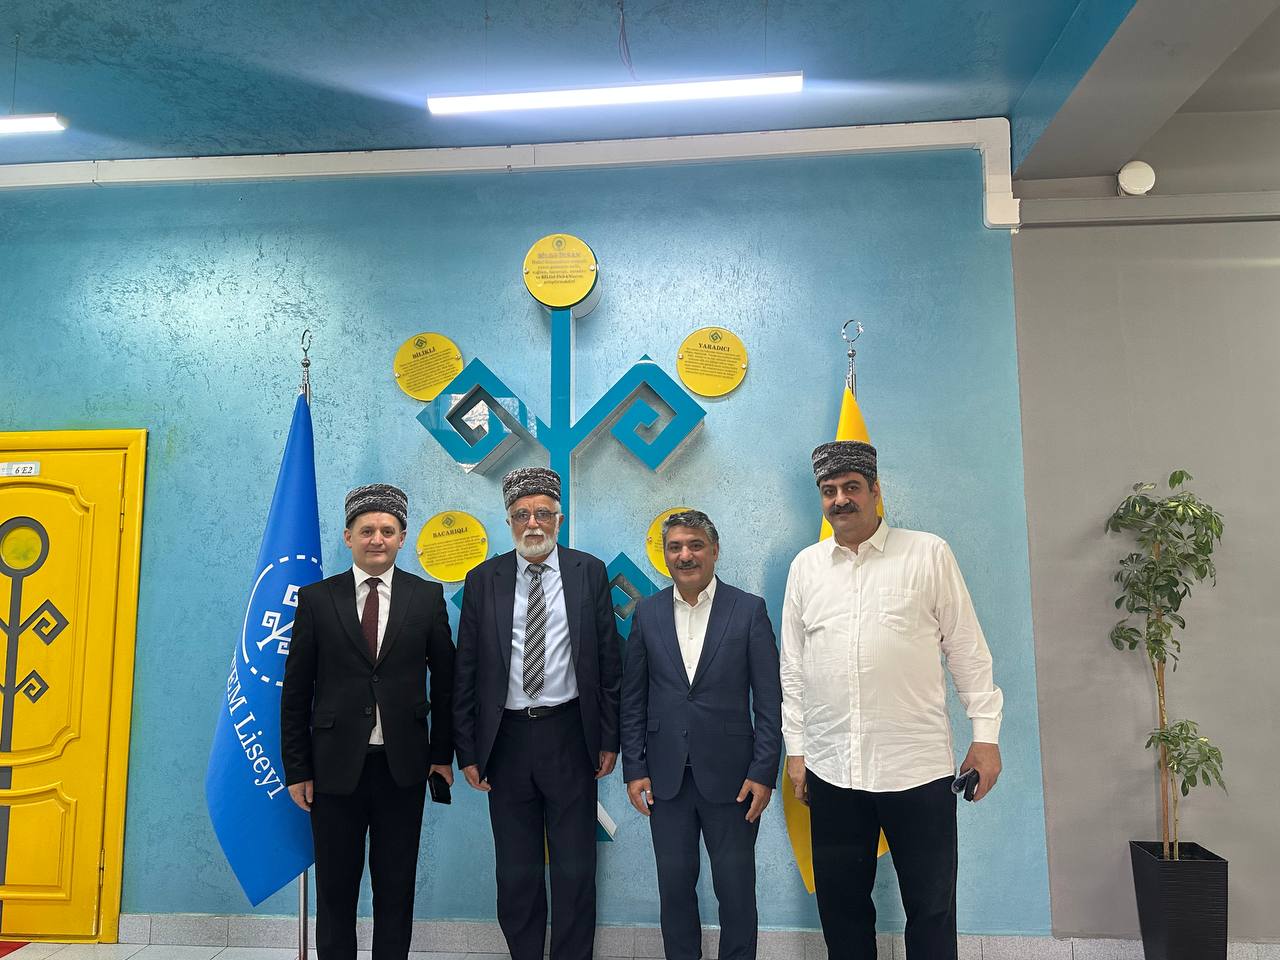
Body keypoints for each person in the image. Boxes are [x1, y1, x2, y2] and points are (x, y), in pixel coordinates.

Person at [780, 441, 1004, 960]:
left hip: (917, 770)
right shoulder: (806, 567)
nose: (840, 499)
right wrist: (797, 751)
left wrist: (985, 738)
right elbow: (793, 669)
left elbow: (967, 650)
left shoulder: (928, 553)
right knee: (842, 912)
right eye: (829, 490)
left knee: (931, 910)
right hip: (832, 770)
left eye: (851, 487)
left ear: (876, 490)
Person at [452, 466, 622, 960]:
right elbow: (467, 669)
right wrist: (468, 749)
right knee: (516, 870)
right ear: (508, 520)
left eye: (543, 513)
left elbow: (608, 662)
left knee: (575, 867)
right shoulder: (483, 579)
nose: (533, 523)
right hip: (505, 741)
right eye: (522, 514)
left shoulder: (588, 572)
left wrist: (608, 738)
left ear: (559, 519)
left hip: (570, 735)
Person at [281, 483, 456, 960]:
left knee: (396, 888)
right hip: (334, 770)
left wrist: (442, 755)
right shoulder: (317, 599)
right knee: (335, 890)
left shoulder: (426, 597)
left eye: (387, 530)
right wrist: (297, 769)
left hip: (403, 769)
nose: (377, 539)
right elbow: (295, 692)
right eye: (366, 530)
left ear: (402, 537)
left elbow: (445, 685)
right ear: (348, 537)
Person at [621, 509, 782, 960]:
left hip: (734, 780)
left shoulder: (748, 610)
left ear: (714, 551)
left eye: (695, 545)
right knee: (674, 889)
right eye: (675, 547)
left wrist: (763, 772)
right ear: (665, 555)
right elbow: (633, 698)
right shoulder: (647, 612)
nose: (685, 555)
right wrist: (635, 768)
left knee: (736, 890)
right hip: (665, 778)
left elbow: (769, 700)